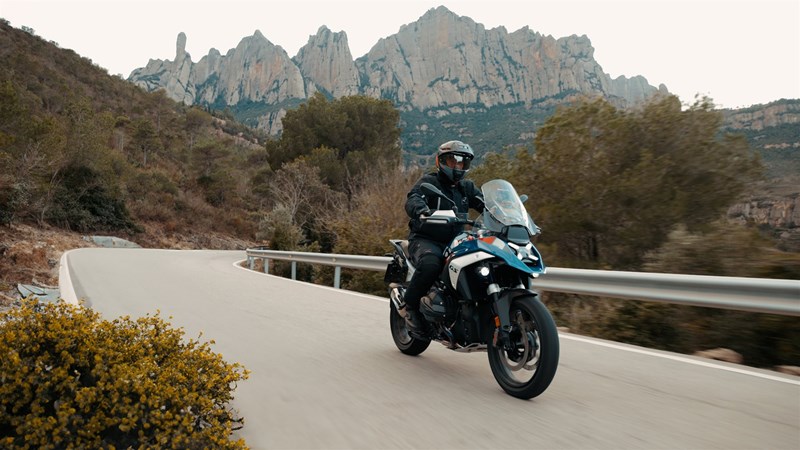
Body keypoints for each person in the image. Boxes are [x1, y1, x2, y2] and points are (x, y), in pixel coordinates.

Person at [400, 140, 485, 336]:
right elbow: (414, 198)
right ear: (441, 162)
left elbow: (486, 205)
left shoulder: (467, 188)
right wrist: (420, 210)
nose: (457, 166)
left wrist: (504, 214)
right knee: (431, 264)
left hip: (455, 241)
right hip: (426, 239)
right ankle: (410, 306)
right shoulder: (429, 183)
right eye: (452, 161)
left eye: (461, 162)